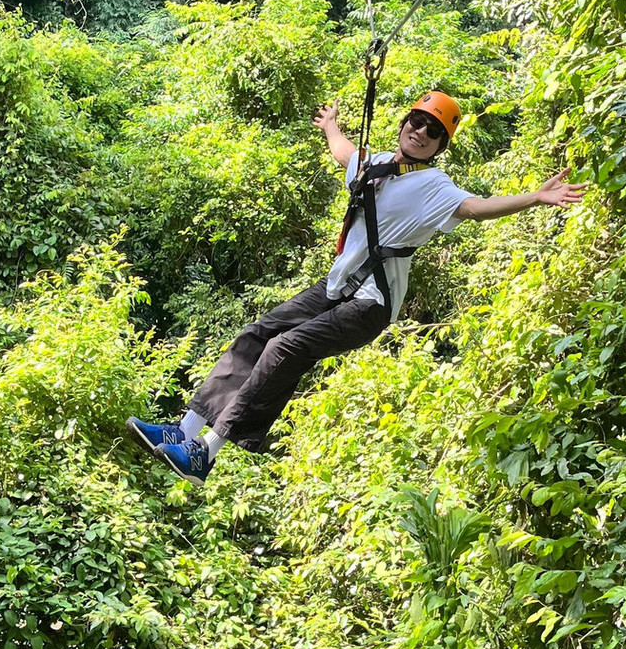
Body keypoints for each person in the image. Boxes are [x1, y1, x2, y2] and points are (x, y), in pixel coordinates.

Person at [127, 91, 587, 485]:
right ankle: (185, 430)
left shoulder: (435, 187)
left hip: (370, 303)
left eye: (433, 130)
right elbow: (346, 155)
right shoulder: (380, 164)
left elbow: (477, 207)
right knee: (257, 334)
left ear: (441, 145)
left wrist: (535, 198)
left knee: (285, 348)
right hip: (336, 287)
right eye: (417, 121)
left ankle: (207, 451)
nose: (421, 132)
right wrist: (331, 126)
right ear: (405, 123)